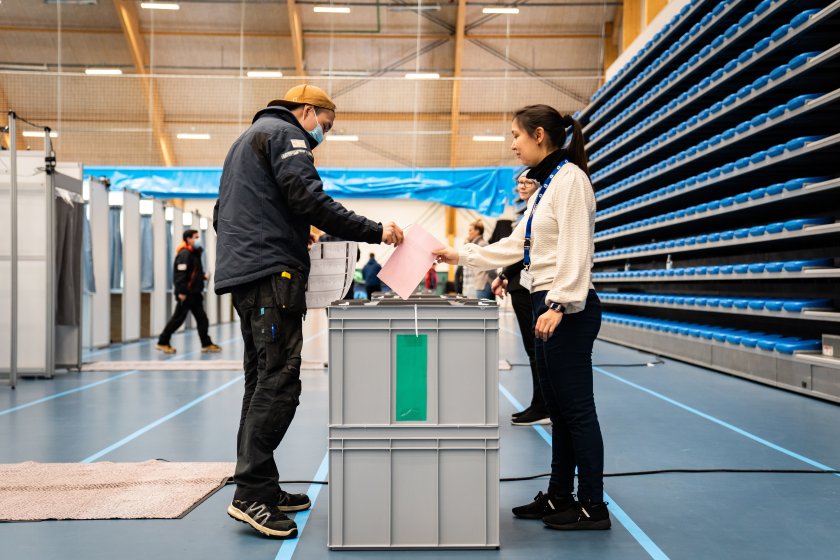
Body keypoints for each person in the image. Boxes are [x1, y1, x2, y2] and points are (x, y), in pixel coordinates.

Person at [213, 84, 404, 539]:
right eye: (325, 123)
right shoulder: (287, 135)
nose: (324, 134)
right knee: (280, 381)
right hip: (272, 277)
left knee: (260, 379)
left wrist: (290, 231)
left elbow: (225, 214)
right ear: (306, 110)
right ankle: (250, 497)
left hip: (247, 274)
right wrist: (376, 231)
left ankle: (260, 484)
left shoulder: (246, 140)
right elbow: (309, 198)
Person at [434, 104, 609, 531]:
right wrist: (462, 254)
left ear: (538, 136)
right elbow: (518, 245)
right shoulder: (546, 187)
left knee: (577, 411)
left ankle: (592, 506)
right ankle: (559, 495)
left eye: (515, 135)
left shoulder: (571, 181)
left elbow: (576, 249)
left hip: (564, 308)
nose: (512, 143)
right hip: (544, 302)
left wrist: (559, 303)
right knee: (560, 410)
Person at [492, 174, 549, 426]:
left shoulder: (538, 214)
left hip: (531, 289)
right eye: (519, 183)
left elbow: (526, 253)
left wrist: (504, 274)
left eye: (527, 182)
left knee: (537, 350)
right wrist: (505, 275)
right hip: (519, 287)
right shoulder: (526, 215)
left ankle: (544, 406)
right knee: (532, 350)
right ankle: (540, 403)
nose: (521, 186)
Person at [155, 229, 221, 354]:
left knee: (202, 319)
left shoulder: (194, 253)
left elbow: (193, 273)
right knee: (177, 319)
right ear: (188, 239)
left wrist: (202, 277)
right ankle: (162, 342)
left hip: (194, 294)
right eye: (195, 237)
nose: (198, 239)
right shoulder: (184, 254)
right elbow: (180, 275)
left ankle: (206, 344)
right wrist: (181, 292)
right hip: (186, 294)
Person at [461, 220, 496, 299]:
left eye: (470, 230)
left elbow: (491, 264)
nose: (468, 233)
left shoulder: (482, 244)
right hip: (479, 284)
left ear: (477, 231)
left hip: (483, 284)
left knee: (483, 310)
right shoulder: (475, 245)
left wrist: (491, 281)